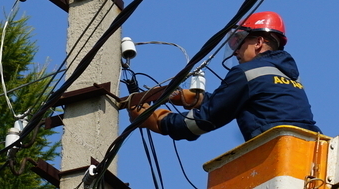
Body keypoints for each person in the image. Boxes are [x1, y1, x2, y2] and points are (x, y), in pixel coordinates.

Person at [130, 11, 318, 141]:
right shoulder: (290, 78)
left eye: (239, 42)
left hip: (274, 155)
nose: (236, 51)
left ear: (259, 42)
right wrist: (196, 99)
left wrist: (158, 120)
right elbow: (239, 101)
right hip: (308, 156)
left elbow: (202, 121)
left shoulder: (247, 73)